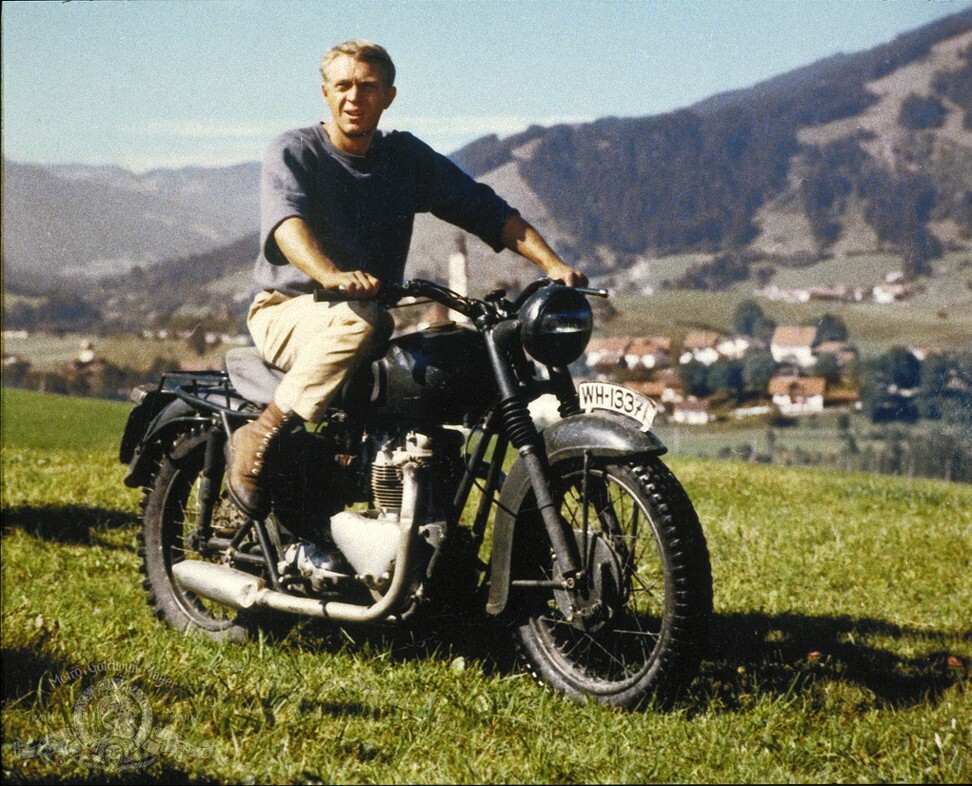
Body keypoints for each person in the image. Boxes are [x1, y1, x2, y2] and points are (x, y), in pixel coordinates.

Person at [227, 39, 587, 524]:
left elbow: (487, 210)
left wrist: (553, 265)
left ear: (389, 96)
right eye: (344, 86)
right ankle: (261, 432)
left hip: (361, 313)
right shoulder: (295, 151)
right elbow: (287, 225)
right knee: (365, 323)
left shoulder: (405, 158)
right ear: (325, 93)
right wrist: (331, 275)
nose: (355, 97)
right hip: (288, 309)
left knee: (457, 359)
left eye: (369, 87)